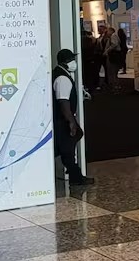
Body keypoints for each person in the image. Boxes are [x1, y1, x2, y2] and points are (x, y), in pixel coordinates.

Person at [53, 49, 94, 186]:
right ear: (65, 62)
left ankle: (74, 174)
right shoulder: (62, 78)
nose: (74, 62)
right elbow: (63, 101)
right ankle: (75, 177)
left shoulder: (60, 74)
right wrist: (71, 122)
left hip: (62, 119)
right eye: (71, 59)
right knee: (67, 148)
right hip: (62, 120)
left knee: (68, 147)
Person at [103, 25, 124, 92]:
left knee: (113, 72)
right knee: (113, 72)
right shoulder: (112, 37)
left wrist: (107, 50)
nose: (107, 32)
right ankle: (115, 85)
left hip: (113, 56)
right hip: (113, 56)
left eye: (108, 31)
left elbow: (114, 44)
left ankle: (115, 86)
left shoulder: (113, 36)